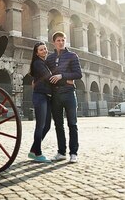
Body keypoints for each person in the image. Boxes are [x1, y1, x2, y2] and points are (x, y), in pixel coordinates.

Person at [46, 31, 83, 163]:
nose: (61, 42)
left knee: (72, 124)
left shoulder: (72, 56)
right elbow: (47, 75)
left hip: (69, 94)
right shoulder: (49, 58)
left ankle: (73, 153)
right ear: (54, 42)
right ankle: (61, 152)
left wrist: (62, 76)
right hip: (55, 95)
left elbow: (78, 74)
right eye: (58, 40)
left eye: (63, 40)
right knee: (58, 125)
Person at [27, 42, 53, 163]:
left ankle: (33, 150)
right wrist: (61, 78)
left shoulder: (43, 63)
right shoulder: (38, 63)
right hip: (40, 96)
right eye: (41, 50)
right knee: (40, 125)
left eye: (45, 49)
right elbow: (48, 77)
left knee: (46, 125)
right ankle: (38, 153)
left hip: (46, 96)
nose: (44, 51)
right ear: (37, 52)